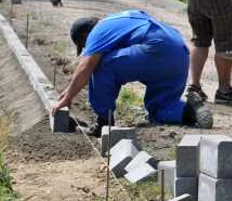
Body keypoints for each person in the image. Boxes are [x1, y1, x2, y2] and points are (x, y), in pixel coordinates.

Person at [51, 10, 213, 137]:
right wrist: (69, 91)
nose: (87, 48)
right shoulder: (124, 18)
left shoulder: (98, 31)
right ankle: (191, 111)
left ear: (85, 35)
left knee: (101, 65)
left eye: (84, 45)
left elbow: (86, 66)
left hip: (156, 47)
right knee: (160, 109)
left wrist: (67, 99)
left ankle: (103, 122)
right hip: (179, 52)